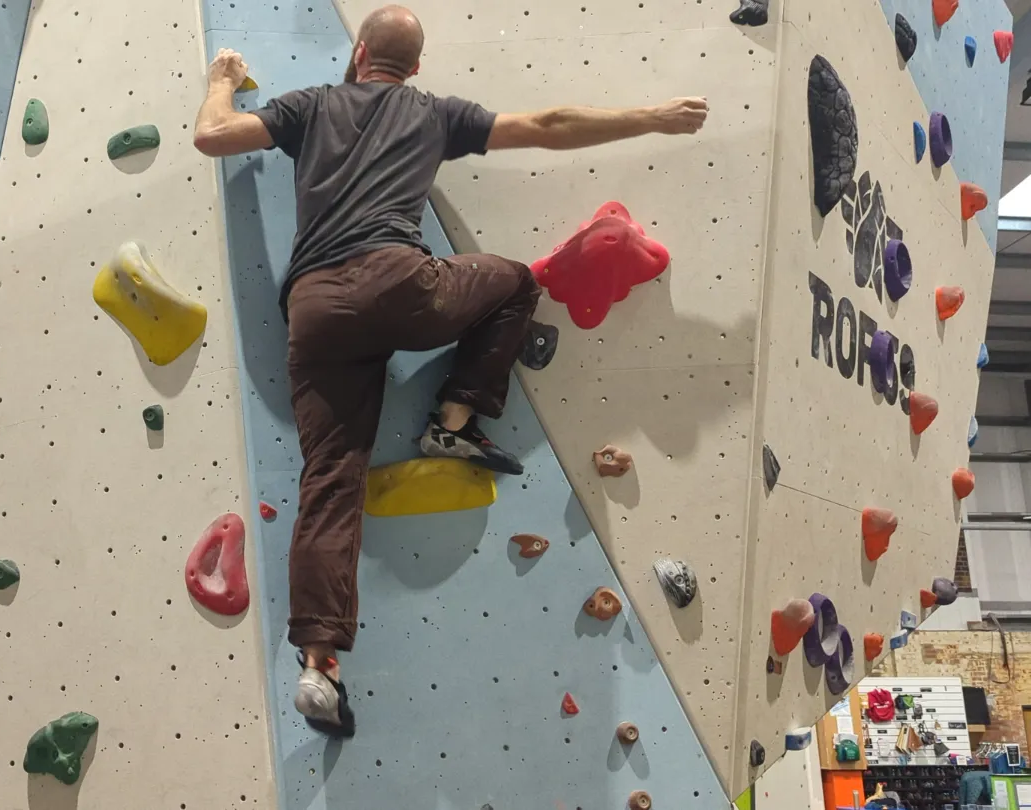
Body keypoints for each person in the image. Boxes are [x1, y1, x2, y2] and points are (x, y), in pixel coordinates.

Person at [193, 4, 708, 738]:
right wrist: (651, 116)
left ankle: (318, 665)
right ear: (416, 67)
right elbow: (549, 123)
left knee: (331, 476)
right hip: (403, 287)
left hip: (316, 307)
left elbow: (213, 135)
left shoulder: (311, 106)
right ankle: (455, 420)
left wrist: (221, 79)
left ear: (360, 51)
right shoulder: (434, 114)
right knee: (515, 282)